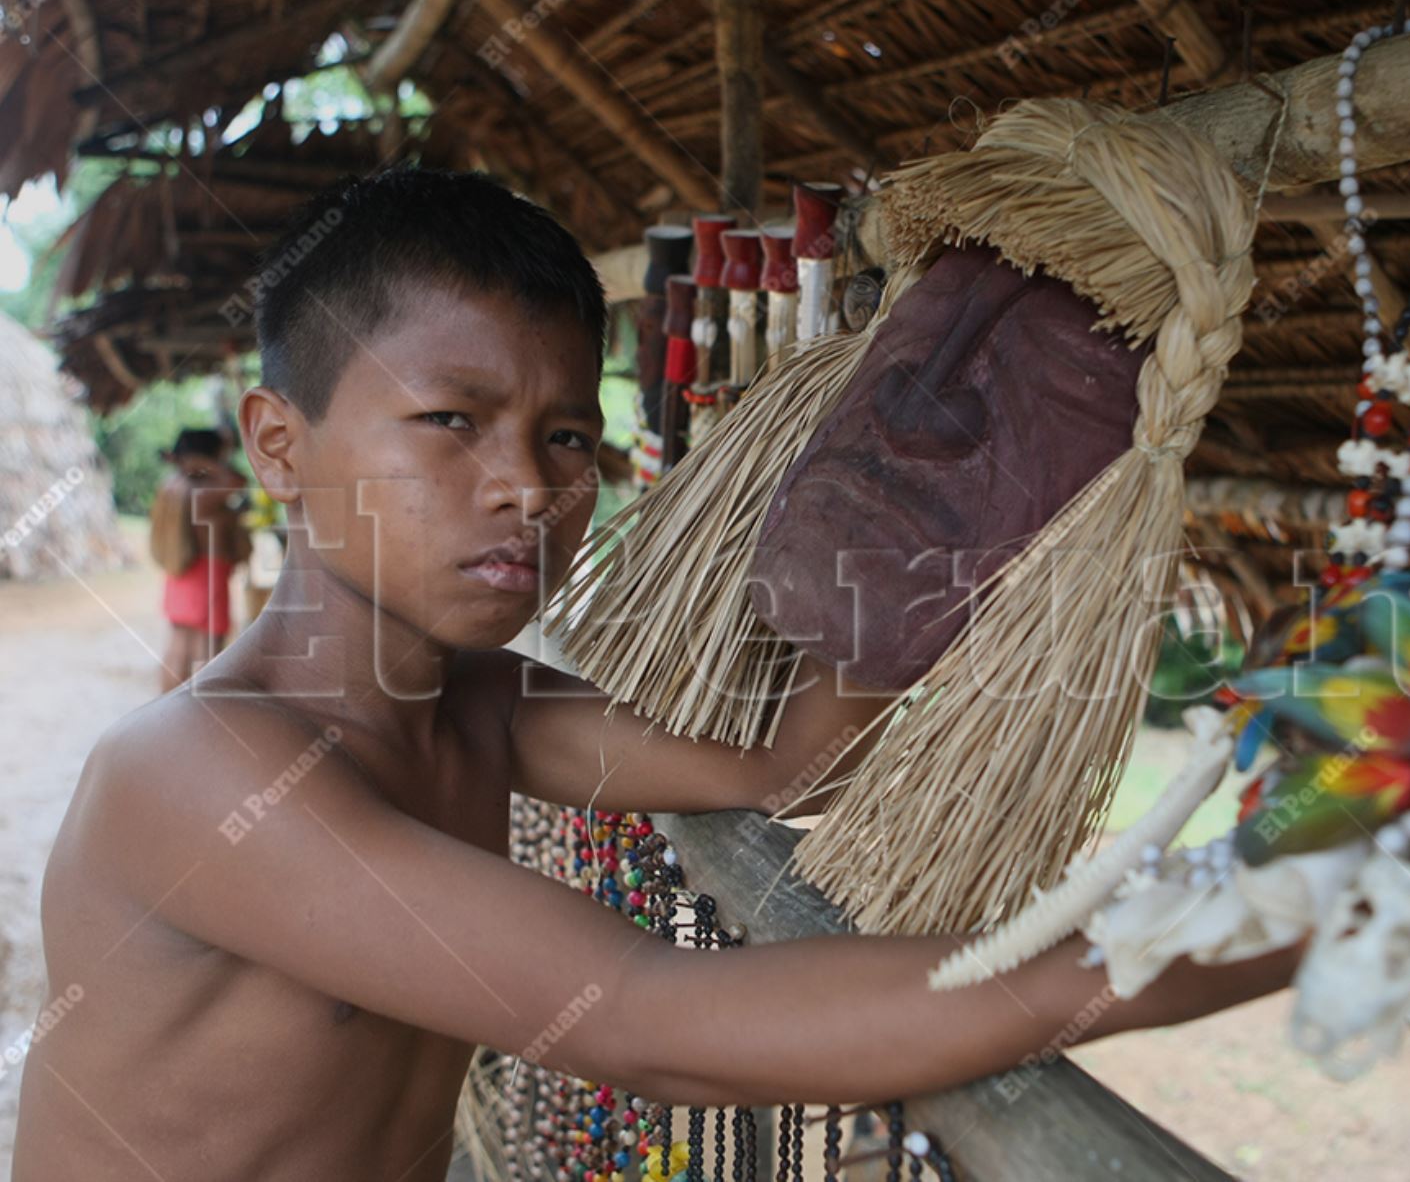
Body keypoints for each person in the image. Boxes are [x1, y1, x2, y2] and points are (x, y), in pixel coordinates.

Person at [15, 169, 1302, 1181]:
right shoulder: (189, 775)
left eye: (565, 433)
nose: (530, 485)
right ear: (280, 446)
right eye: (451, 420)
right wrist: (1254, 930)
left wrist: (906, 550)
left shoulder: (483, 706)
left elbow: (790, 765)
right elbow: (649, 1015)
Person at [147, 427, 249, 691]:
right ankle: (201, 714)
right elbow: (239, 480)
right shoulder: (201, 491)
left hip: (180, 572)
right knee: (208, 648)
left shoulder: (172, 485)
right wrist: (206, 461)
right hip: (207, 573)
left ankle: (167, 710)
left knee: (179, 642)